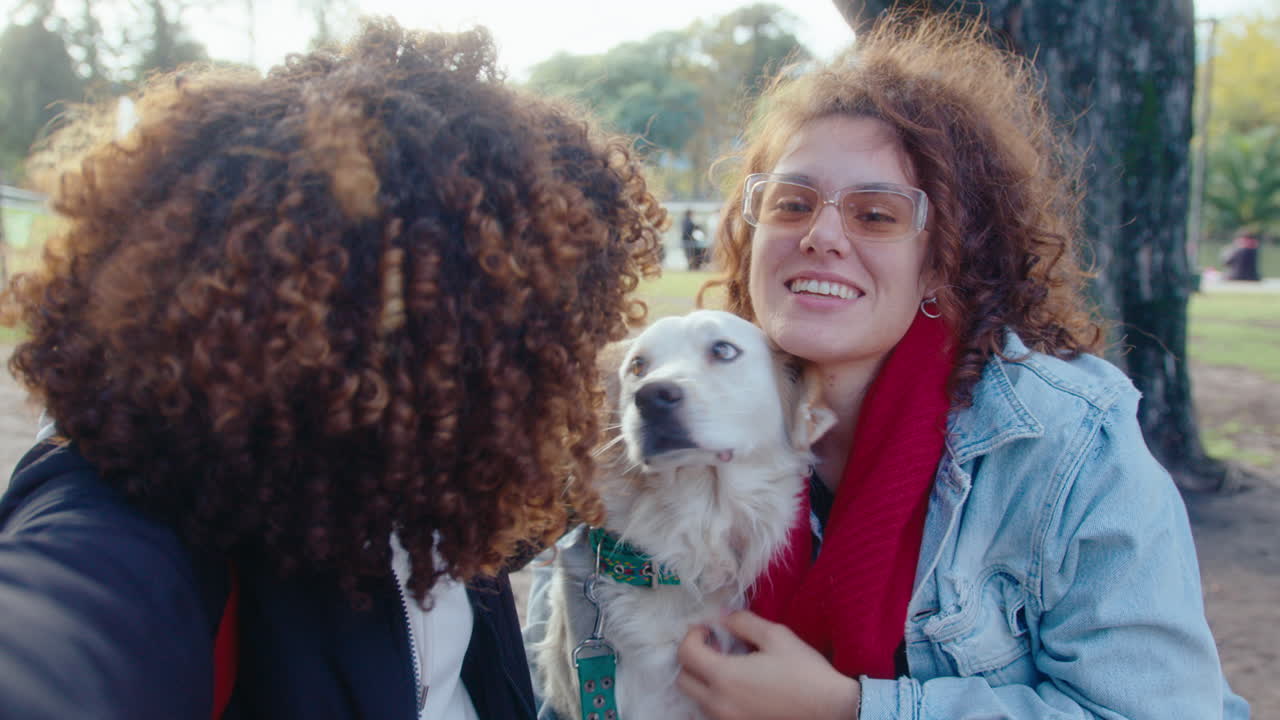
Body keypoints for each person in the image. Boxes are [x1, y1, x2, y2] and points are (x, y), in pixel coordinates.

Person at [528, 12, 1249, 720]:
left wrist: (851, 710)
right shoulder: (664, 437)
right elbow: (558, 667)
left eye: (876, 215)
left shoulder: (1065, 446)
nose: (821, 236)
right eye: (792, 204)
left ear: (942, 261)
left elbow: (1159, 708)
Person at [0, 19, 663, 720]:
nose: (565, 373)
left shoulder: (444, 486)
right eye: (544, 332)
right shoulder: (132, 518)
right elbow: (59, 633)